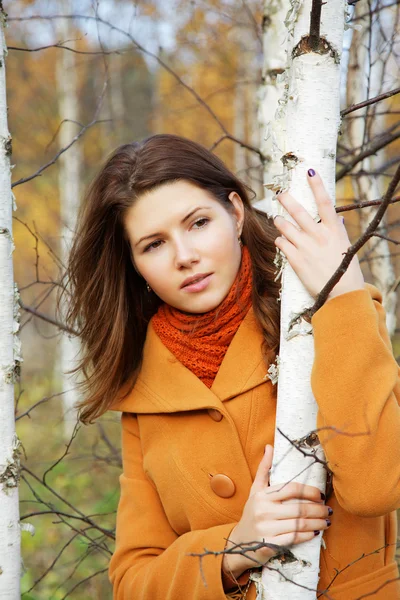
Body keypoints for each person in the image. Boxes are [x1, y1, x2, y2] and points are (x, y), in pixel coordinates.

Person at [65, 133, 400, 599]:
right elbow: (133, 582)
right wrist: (233, 549)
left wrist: (342, 297)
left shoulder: (324, 315)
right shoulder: (144, 387)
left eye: (198, 222)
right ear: (134, 264)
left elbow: (376, 487)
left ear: (236, 214)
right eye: (154, 244)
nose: (185, 257)